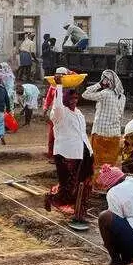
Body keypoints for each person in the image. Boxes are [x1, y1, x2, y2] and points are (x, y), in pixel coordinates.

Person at [44, 78, 94, 219]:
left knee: (83, 184)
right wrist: (59, 86)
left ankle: (79, 210)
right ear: (65, 99)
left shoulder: (78, 113)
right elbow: (57, 105)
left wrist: (90, 152)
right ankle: (52, 198)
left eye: (76, 98)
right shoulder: (59, 113)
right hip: (66, 154)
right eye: (71, 98)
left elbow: (82, 134)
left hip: (82, 152)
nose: (74, 101)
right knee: (67, 186)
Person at [81, 70, 126, 190]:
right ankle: (110, 186)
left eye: (103, 79)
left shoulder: (105, 93)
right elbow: (120, 115)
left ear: (107, 81)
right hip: (115, 135)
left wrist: (98, 85)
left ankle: (98, 186)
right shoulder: (122, 96)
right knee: (111, 164)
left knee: (98, 164)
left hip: (100, 133)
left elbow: (85, 94)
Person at [42, 67, 71, 161]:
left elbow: (76, 75)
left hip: (66, 115)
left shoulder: (70, 86)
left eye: (61, 75)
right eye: (57, 75)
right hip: (55, 115)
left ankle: (64, 156)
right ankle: (52, 155)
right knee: (52, 136)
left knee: (65, 136)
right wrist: (45, 108)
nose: (59, 77)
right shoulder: (53, 86)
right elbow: (48, 98)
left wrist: (69, 72)